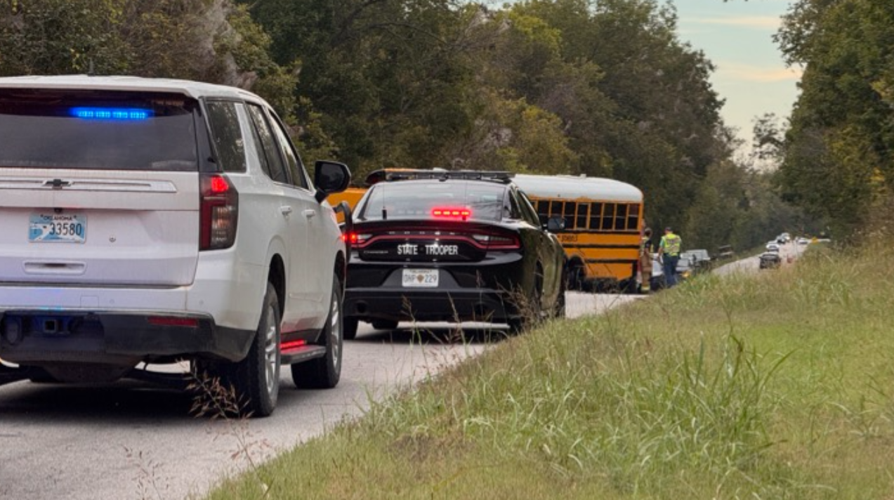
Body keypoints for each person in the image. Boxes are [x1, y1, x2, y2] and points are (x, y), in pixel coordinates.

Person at [639, 227, 653, 293]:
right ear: (650, 234)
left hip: (641, 258)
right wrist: (650, 257)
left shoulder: (642, 239)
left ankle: (643, 289)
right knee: (646, 275)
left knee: (643, 275)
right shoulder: (648, 240)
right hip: (646, 258)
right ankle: (645, 290)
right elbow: (646, 250)